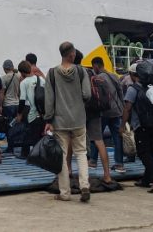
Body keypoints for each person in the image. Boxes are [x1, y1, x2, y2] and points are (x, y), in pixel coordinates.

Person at [44, 42, 92, 203]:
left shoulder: (51, 73)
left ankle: (64, 193)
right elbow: (87, 94)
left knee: (62, 157)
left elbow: (49, 100)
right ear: (72, 54)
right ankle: (84, 186)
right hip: (79, 119)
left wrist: (49, 119)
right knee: (81, 153)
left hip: (60, 121)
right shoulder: (81, 71)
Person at [120, 61, 153, 194]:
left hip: (141, 125)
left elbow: (127, 108)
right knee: (151, 152)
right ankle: (146, 180)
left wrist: (122, 125)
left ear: (132, 74)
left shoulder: (133, 89)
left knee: (143, 153)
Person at [88, 57, 126, 176]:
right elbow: (120, 93)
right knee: (117, 138)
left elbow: (95, 96)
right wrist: (122, 109)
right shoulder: (114, 76)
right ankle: (119, 163)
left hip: (103, 112)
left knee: (96, 136)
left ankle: (93, 161)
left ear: (96, 66)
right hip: (116, 112)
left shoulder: (97, 78)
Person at [16, 60, 46, 158]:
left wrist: (19, 113)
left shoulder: (24, 82)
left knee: (28, 132)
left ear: (22, 72)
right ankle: (39, 154)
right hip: (42, 111)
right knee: (40, 133)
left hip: (30, 111)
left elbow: (22, 100)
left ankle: (26, 154)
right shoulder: (41, 79)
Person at [1, 59, 21, 153]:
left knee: (9, 126)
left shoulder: (4, 78)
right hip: (17, 104)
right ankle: (17, 143)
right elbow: (20, 92)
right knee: (16, 125)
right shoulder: (19, 76)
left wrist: (0, 105)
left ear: (5, 68)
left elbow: (2, 94)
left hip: (8, 105)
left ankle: (10, 147)